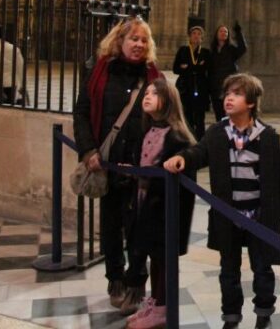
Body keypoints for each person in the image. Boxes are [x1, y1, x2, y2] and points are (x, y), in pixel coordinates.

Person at [165, 73, 280, 329]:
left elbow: (279, 180)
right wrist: (184, 159)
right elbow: (199, 152)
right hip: (227, 215)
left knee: (262, 269)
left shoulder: (268, 137)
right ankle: (231, 317)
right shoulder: (217, 133)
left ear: (251, 102)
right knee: (228, 271)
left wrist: (275, 211)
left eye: (237, 94)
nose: (228, 98)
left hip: (259, 216)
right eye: (227, 93)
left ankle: (263, 313)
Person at [72, 17, 161, 306]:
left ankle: (136, 282)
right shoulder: (99, 73)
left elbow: (166, 118)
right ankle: (115, 279)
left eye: (143, 40)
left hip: (141, 168)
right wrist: (88, 151)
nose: (139, 44)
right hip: (107, 164)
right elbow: (82, 113)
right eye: (133, 39)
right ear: (119, 41)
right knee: (111, 226)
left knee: (139, 228)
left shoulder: (153, 77)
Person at [122, 78, 197, 329]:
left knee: (164, 259)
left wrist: (144, 175)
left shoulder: (177, 137)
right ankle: (155, 302)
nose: (148, 95)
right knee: (153, 256)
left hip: (165, 210)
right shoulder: (147, 130)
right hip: (146, 204)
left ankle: (164, 308)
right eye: (147, 92)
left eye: (155, 93)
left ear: (169, 102)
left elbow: (174, 177)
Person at [173, 26, 211, 140]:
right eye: (194, 33)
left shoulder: (205, 52)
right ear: (189, 36)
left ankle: (200, 140)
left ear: (202, 38)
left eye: (199, 34)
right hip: (185, 87)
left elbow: (207, 68)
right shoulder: (183, 50)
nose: (196, 36)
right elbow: (176, 69)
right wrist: (196, 67)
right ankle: (187, 138)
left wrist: (187, 67)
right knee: (186, 114)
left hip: (200, 87)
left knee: (200, 117)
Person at [209, 22, 247, 121]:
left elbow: (242, 49)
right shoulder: (212, 50)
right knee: (218, 111)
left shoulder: (231, 49)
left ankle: (229, 134)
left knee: (228, 111)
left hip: (228, 84)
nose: (223, 33)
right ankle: (221, 133)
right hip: (215, 85)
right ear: (216, 34)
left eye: (226, 32)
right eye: (221, 31)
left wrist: (238, 33)